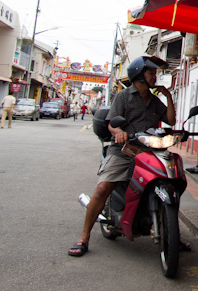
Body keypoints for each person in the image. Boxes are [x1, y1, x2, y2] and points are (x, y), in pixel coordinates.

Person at [68, 56, 178, 257]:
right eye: (151, 73)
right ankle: (84, 237)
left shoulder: (155, 101)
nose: (154, 77)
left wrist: (168, 96)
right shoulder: (123, 96)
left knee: (169, 183)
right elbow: (112, 124)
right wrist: (119, 132)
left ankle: (172, 235)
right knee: (103, 189)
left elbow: (170, 121)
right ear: (139, 74)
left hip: (148, 152)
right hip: (123, 150)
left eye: (155, 73)